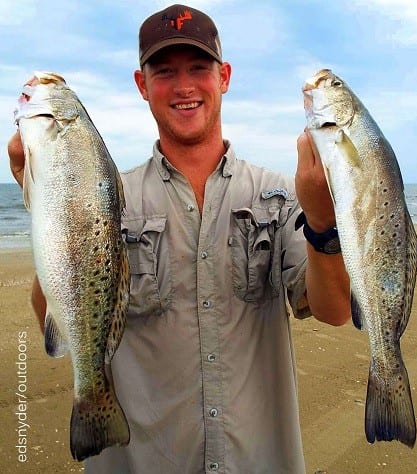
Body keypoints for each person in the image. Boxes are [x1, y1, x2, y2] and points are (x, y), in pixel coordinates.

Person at [8, 4, 350, 473]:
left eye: (199, 68)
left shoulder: (278, 194)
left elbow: (333, 311)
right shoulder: (109, 195)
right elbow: (55, 316)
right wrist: (47, 204)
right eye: (164, 72)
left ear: (224, 76)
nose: (184, 86)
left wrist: (323, 219)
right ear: (141, 85)